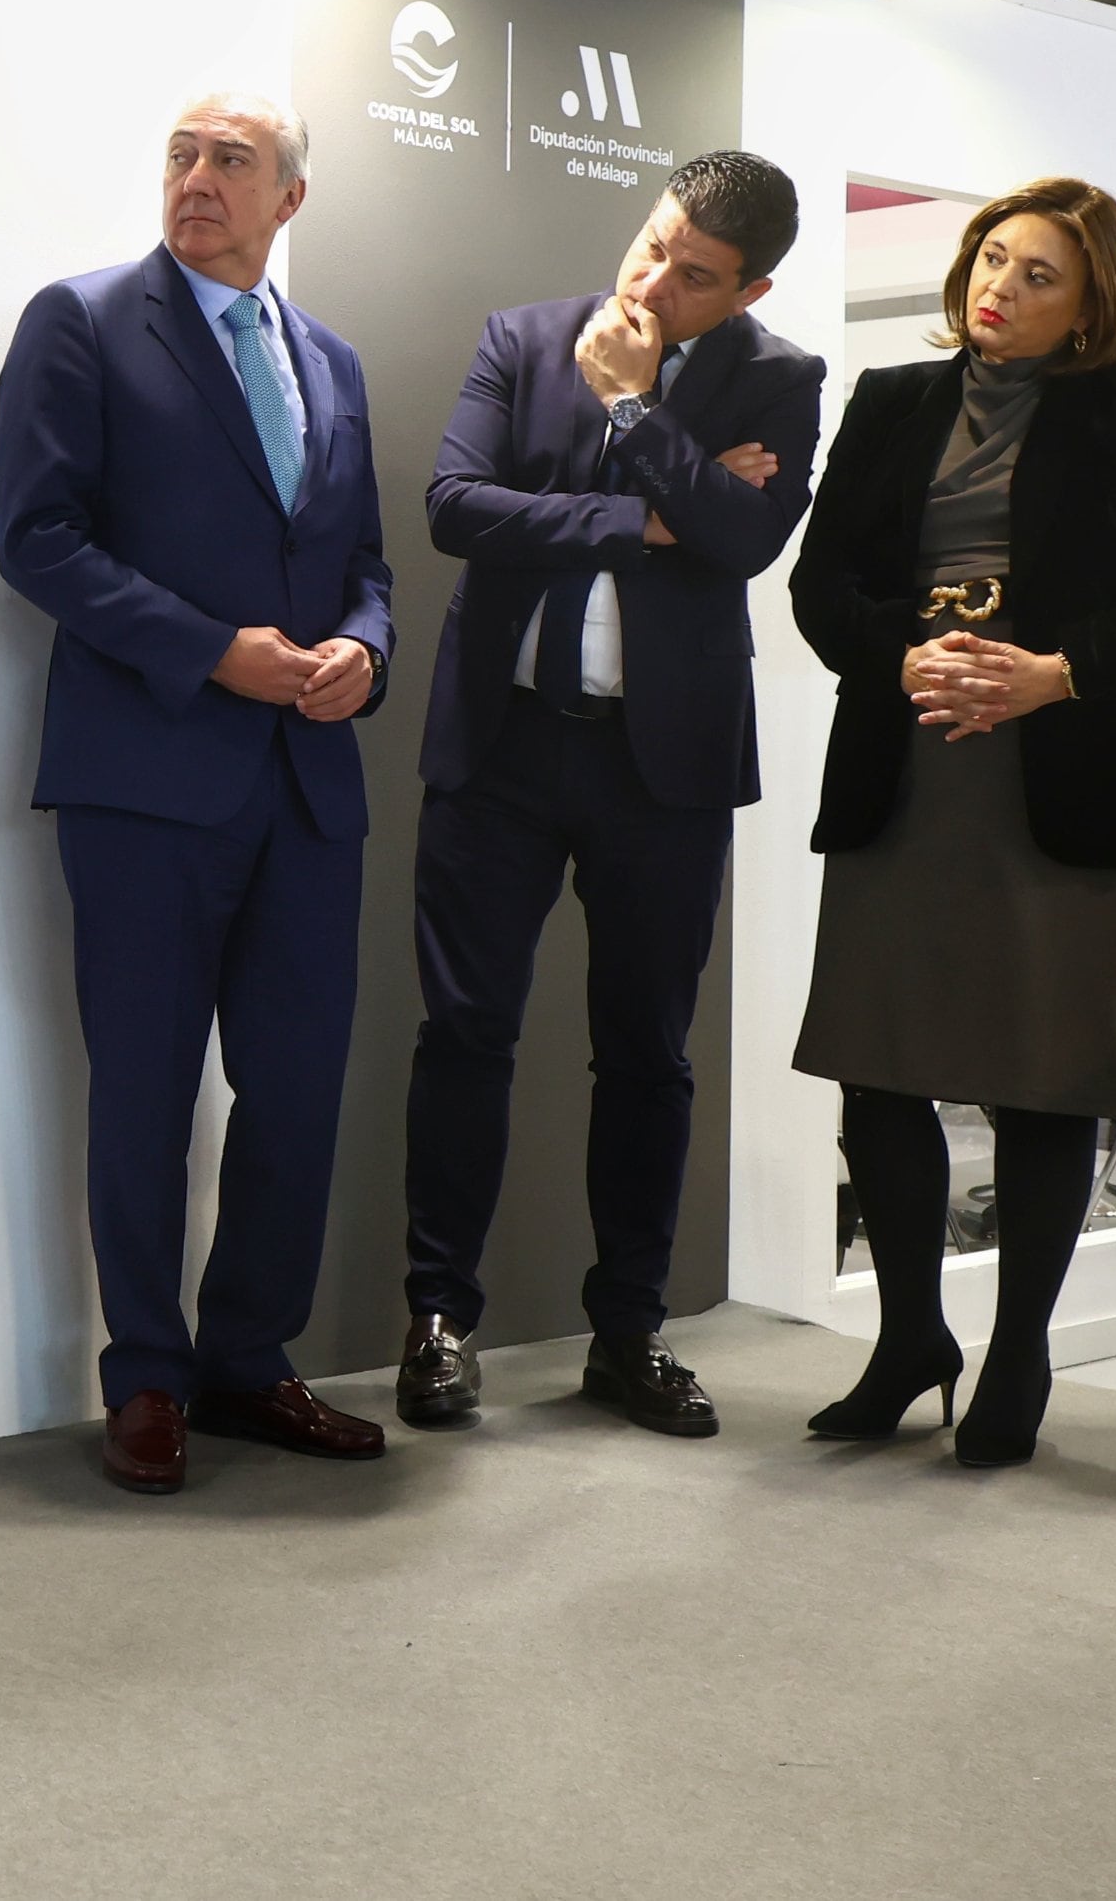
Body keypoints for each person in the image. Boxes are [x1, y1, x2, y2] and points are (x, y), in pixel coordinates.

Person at [0, 92, 397, 1496]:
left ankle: (245, 1359)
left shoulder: (331, 359)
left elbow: (371, 567)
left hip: (308, 787)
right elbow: (36, 538)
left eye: (233, 160)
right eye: (181, 154)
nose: (199, 178)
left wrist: (365, 649)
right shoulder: (85, 320)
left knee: (295, 1094)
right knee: (148, 1091)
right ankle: (146, 1376)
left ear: (290, 197)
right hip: (148, 776)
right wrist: (210, 649)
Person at [789, 179, 1116, 1470]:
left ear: (1094, 299)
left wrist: (1052, 669)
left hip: (1074, 776)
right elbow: (823, 583)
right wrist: (906, 658)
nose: (1003, 286)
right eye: (993, 258)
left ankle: (1018, 1347)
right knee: (878, 1061)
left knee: (1045, 1081)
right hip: (912, 758)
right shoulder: (891, 400)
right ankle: (912, 1331)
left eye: (1042, 273)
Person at [394, 152, 826, 1436]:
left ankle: (627, 1332)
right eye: (651, 247)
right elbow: (456, 507)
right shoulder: (522, 339)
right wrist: (646, 517)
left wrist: (637, 414)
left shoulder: (784, 377)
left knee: (647, 1054)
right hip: (503, 750)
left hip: (666, 767)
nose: (653, 281)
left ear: (750, 287)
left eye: (694, 276)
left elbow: (748, 543)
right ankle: (437, 1322)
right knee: (464, 1035)